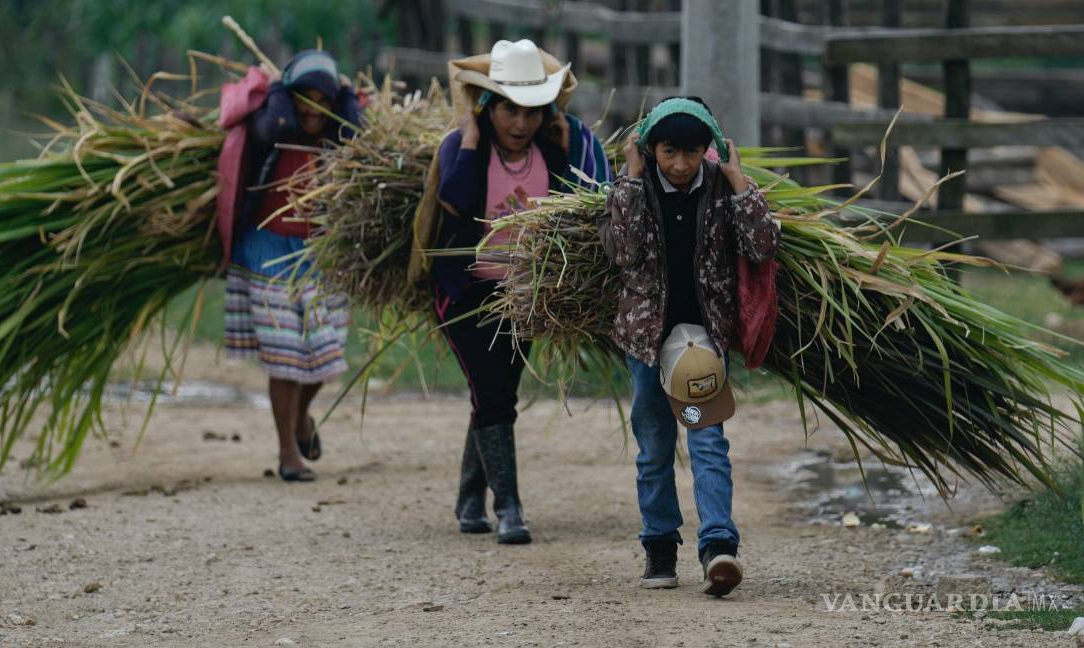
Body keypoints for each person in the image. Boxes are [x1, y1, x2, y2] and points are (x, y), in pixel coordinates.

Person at [410, 39, 612, 544]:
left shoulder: (552, 146)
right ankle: (511, 510)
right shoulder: (463, 146)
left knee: (493, 395)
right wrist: (474, 137)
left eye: (530, 113)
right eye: (507, 111)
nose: (519, 124)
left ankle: (466, 500)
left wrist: (564, 151)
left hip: (522, 296)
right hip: (463, 293)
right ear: (488, 107)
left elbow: (571, 209)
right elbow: (454, 200)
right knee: (496, 396)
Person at [600, 96, 779, 595]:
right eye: (668, 152)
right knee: (655, 446)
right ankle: (659, 546)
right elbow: (623, 251)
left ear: (710, 150)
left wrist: (741, 181)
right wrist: (633, 178)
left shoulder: (723, 188)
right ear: (651, 148)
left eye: (692, 152)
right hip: (646, 341)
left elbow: (763, 246)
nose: (680, 165)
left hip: (701, 342)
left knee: (706, 440)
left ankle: (718, 546)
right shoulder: (633, 186)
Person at [216, 50, 363, 482]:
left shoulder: (339, 136)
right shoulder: (271, 129)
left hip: (320, 254)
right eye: (305, 96)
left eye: (324, 98)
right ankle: (287, 455)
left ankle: (300, 417)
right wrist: (282, 89)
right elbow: (278, 123)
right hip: (269, 253)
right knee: (285, 358)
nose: (313, 107)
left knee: (326, 352)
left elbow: (358, 131)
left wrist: (347, 95)